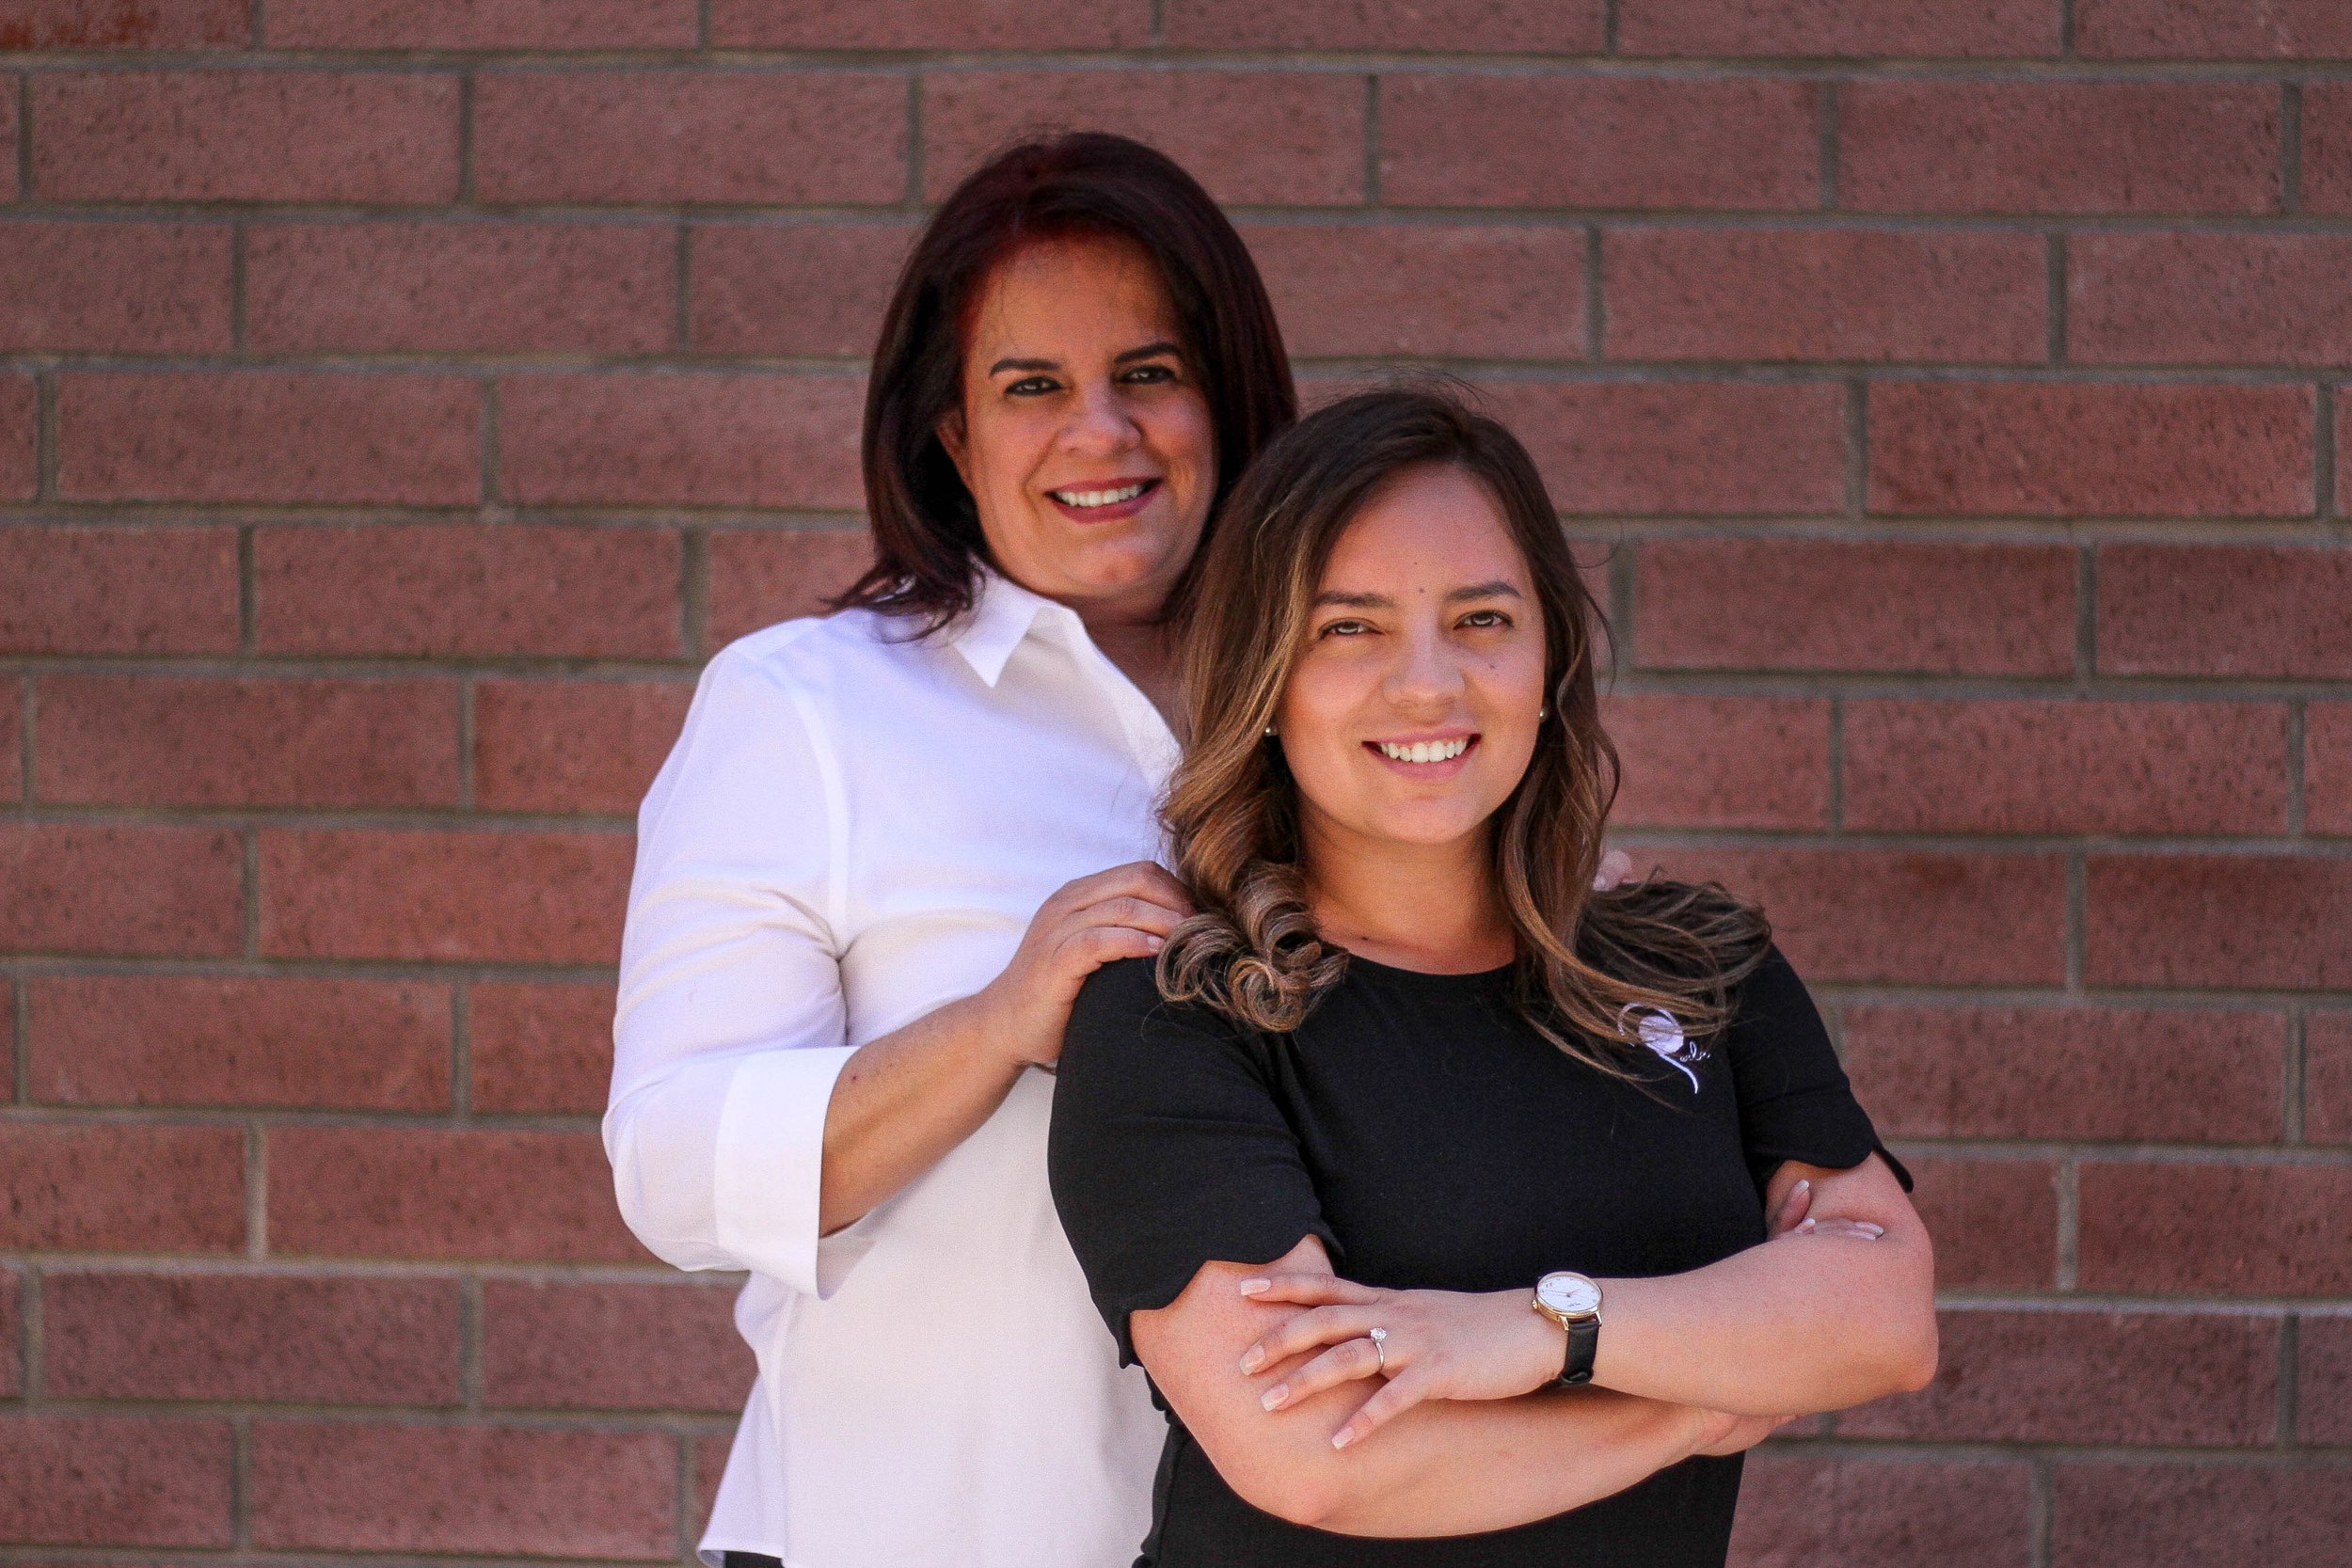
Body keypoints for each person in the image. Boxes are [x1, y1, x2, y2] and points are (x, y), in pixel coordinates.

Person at [1048, 386, 1938, 1567]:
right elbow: (1318, 1452)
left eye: (1481, 618)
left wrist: (1540, 1332)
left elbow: (1885, 1316)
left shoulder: (1700, 965)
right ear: (1265, 679)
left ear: (1547, 657)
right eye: (1349, 628)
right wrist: (1694, 1397)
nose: (1428, 683)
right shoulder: (1177, 1015)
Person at [605, 133, 1295, 1567]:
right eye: (1030, 386)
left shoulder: (1340, 711)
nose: (1100, 433)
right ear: (950, 433)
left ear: (1226, 401)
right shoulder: (809, 709)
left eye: (1149, 373)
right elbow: (673, 1167)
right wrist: (996, 1022)